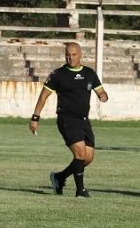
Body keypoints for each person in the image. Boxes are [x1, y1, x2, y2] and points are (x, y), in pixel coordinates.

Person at [29, 42, 109, 198]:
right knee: (80, 152)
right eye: (68, 55)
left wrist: (103, 96)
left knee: (87, 158)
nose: (70, 58)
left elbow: (100, 90)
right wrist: (35, 118)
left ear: (80, 55)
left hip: (84, 120)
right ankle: (80, 191)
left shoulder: (89, 73)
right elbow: (44, 96)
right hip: (67, 120)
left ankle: (59, 177)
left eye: (74, 55)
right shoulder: (58, 74)